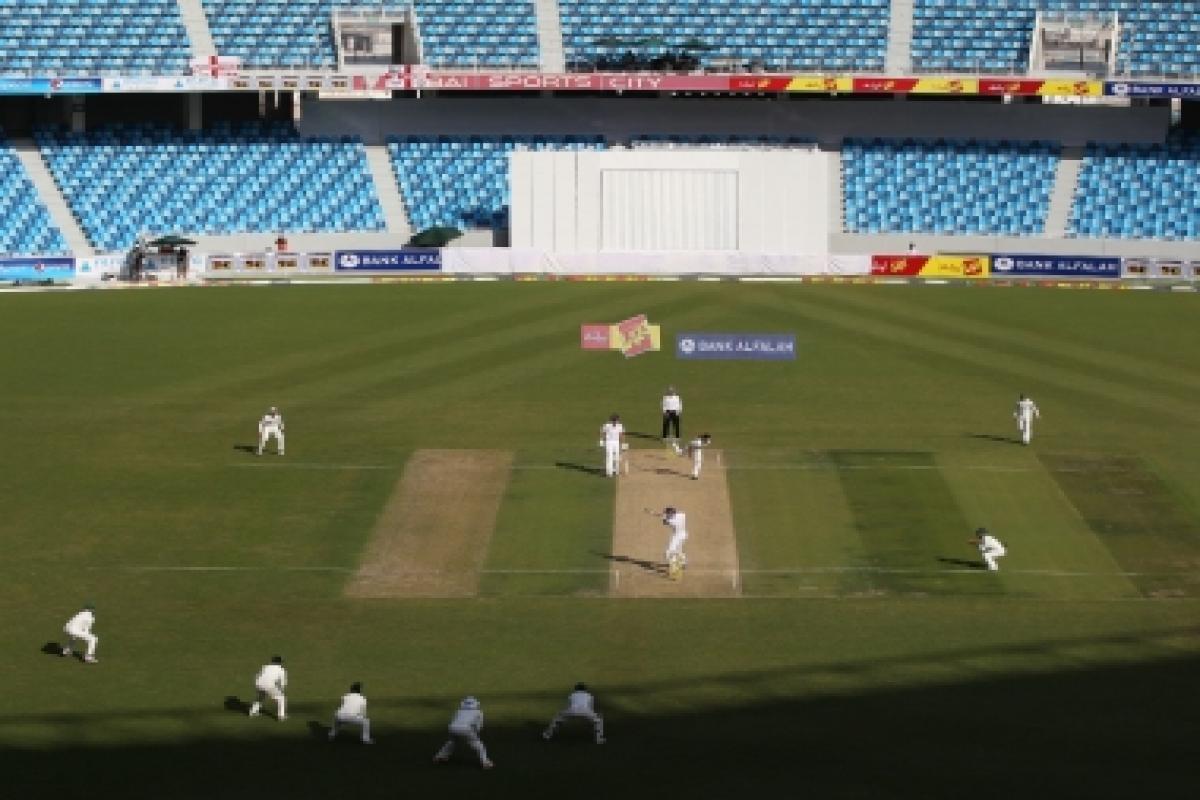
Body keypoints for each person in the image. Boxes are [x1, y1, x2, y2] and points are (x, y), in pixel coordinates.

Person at [433, 696, 493, 769]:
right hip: (465, 729)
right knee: (479, 746)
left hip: (452, 728)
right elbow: (479, 726)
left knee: (452, 742)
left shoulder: (459, 711)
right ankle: (485, 762)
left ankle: (440, 756)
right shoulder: (478, 712)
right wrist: (474, 734)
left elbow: (454, 720)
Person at [248, 655, 288, 720]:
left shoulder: (265, 667)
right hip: (269, 685)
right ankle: (281, 716)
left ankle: (252, 712)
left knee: (260, 697)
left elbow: (259, 675)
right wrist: (281, 690)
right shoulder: (281, 670)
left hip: (259, 683)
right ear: (279, 662)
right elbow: (283, 683)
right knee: (281, 698)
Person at [660, 506, 688, 580]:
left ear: (670, 514)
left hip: (677, 537)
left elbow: (664, 522)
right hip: (684, 535)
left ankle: (675, 572)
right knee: (679, 551)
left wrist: (664, 517)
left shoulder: (672, 522)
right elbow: (671, 516)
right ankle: (683, 563)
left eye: (667, 513)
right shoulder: (682, 515)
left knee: (669, 553)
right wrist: (666, 515)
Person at [600, 413, 625, 478]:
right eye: (614, 420)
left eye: (616, 420)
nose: (615, 421)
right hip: (609, 442)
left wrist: (622, 443)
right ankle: (609, 472)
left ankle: (616, 471)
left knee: (616, 457)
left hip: (616, 442)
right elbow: (603, 433)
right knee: (609, 457)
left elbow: (621, 435)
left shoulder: (619, 426)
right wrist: (602, 441)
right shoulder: (607, 425)